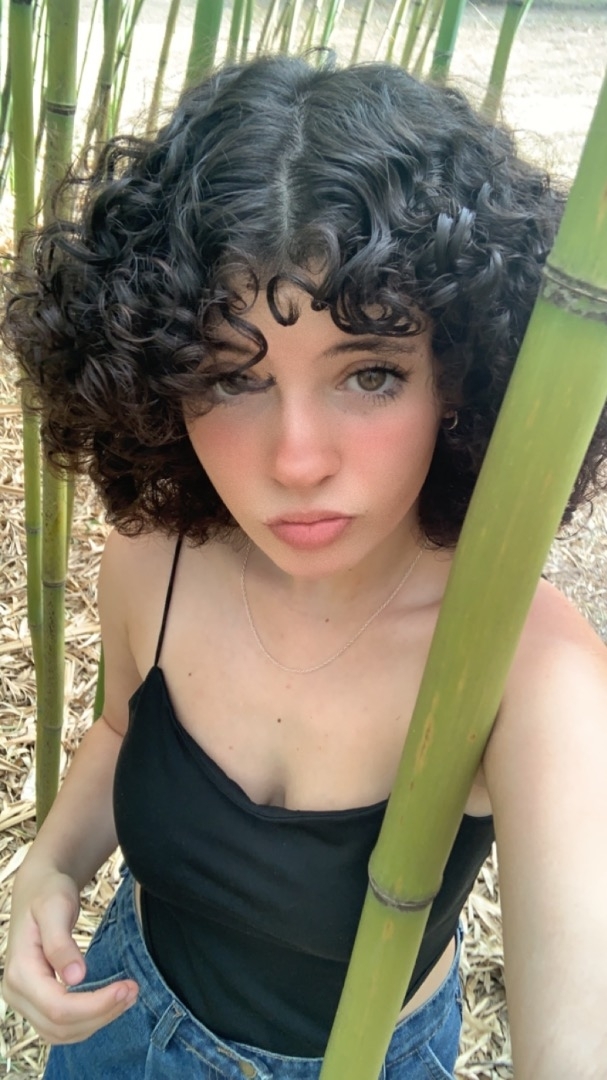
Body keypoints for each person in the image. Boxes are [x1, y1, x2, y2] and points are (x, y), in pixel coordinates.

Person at [2, 52, 606, 1080]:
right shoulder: (157, 560)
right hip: (122, 1024)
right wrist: (50, 868)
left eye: (368, 373)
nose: (296, 460)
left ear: (459, 374)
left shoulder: (520, 666)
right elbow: (122, 729)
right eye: (233, 377)